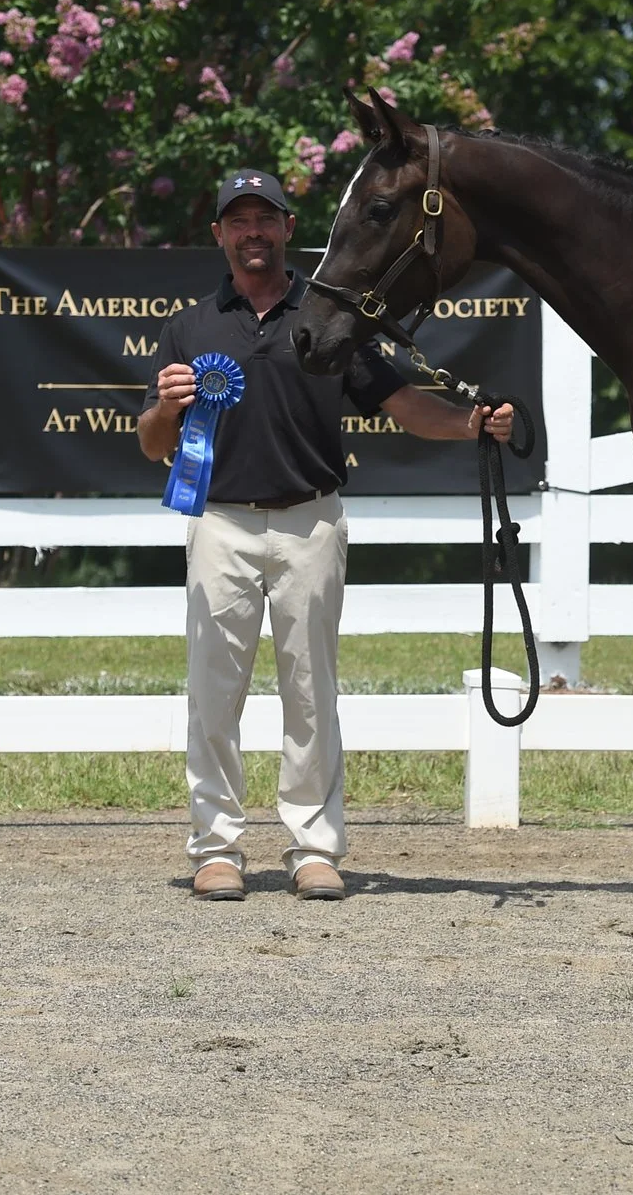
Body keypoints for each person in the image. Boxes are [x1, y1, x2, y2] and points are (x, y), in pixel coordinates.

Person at [139, 167, 514, 902]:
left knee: (311, 690)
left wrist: (470, 422)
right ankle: (216, 848)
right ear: (219, 235)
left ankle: (314, 847)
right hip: (220, 521)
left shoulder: (329, 313)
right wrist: (165, 407)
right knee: (214, 691)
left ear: (287, 228)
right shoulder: (189, 327)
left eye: (265, 219)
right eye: (238, 221)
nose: (253, 232)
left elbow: (403, 403)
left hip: (313, 519)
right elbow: (154, 442)